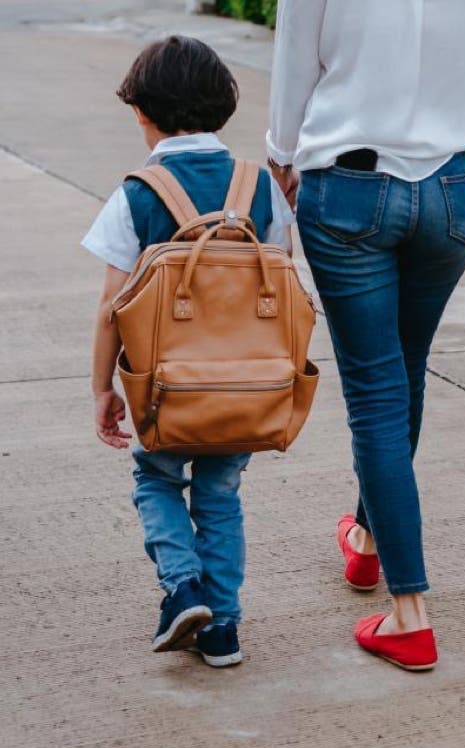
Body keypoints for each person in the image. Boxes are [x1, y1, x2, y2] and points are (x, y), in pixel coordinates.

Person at [266, 1, 465, 671]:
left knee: (377, 390)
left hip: (348, 182)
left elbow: (296, 57)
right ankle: (369, 539)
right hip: (454, 182)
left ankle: (409, 612)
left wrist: (282, 154)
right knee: (404, 370)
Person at [84, 36, 295, 666]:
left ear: (143, 113)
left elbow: (109, 310)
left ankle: (181, 587)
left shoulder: (136, 193)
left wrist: (103, 388)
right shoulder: (260, 188)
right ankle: (224, 628)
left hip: (166, 388)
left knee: (155, 480)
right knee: (221, 496)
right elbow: (283, 280)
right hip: (246, 388)